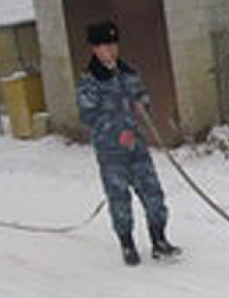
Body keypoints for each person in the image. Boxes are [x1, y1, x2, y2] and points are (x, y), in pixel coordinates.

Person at [77, 21, 180, 266]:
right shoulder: (89, 81)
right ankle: (127, 244)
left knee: (153, 193)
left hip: (137, 148)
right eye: (105, 45)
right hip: (112, 152)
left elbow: (143, 98)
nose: (111, 50)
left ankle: (159, 240)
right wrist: (116, 131)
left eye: (113, 44)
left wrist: (141, 105)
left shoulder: (128, 73)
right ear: (95, 49)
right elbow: (88, 116)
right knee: (119, 199)